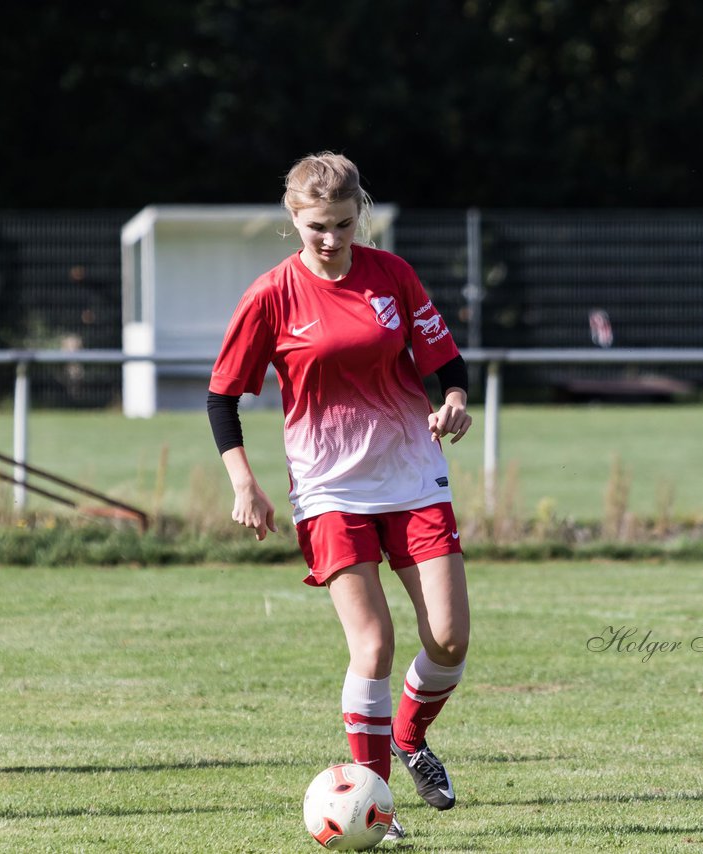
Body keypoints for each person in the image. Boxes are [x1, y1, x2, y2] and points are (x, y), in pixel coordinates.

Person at [206, 153, 472, 841]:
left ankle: (411, 737)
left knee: (448, 638)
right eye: (317, 226)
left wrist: (453, 401)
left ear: (362, 215)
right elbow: (222, 398)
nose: (330, 240)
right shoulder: (271, 295)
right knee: (375, 645)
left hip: (412, 477)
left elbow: (445, 359)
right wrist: (245, 482)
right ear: (293, 219)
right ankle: (375, 812)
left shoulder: (393, 274)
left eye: (344, 225)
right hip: (330, 490)